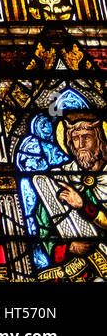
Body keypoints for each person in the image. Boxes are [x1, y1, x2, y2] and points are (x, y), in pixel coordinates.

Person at [31, 112, 107, 280]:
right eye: (75, 138)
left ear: (100, 138)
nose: (80, 145)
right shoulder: (58, 179)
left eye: (86, 137)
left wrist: (83, 206)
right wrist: (69, 247)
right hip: (73, 271)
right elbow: (44, 230)